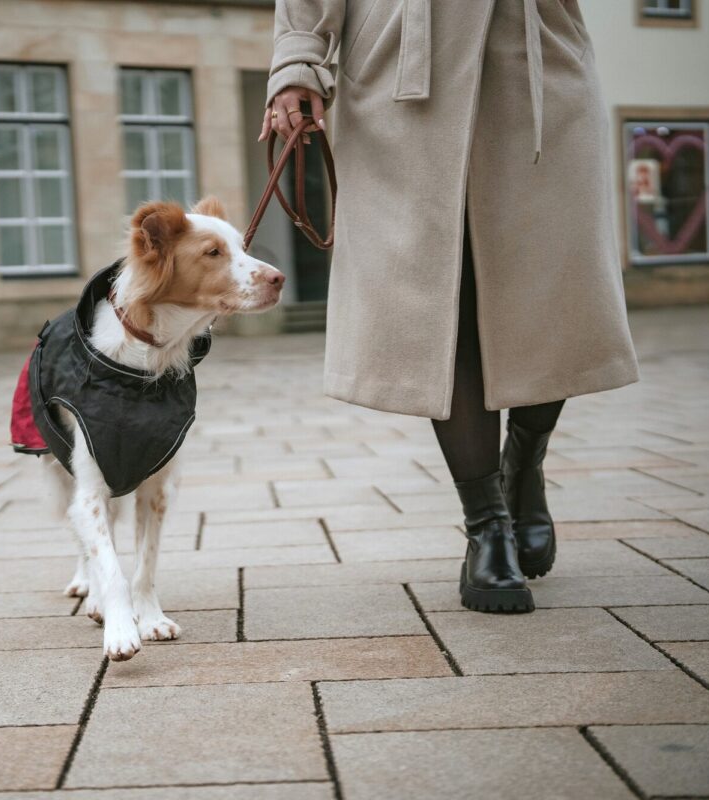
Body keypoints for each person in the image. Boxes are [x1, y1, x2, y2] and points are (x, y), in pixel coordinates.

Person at [260, 0, 639, 613]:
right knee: (437, 300)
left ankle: (525, 460)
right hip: (404, 77)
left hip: (539, 57)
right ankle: (487, 524)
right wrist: (297, 58)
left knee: (551, 288)